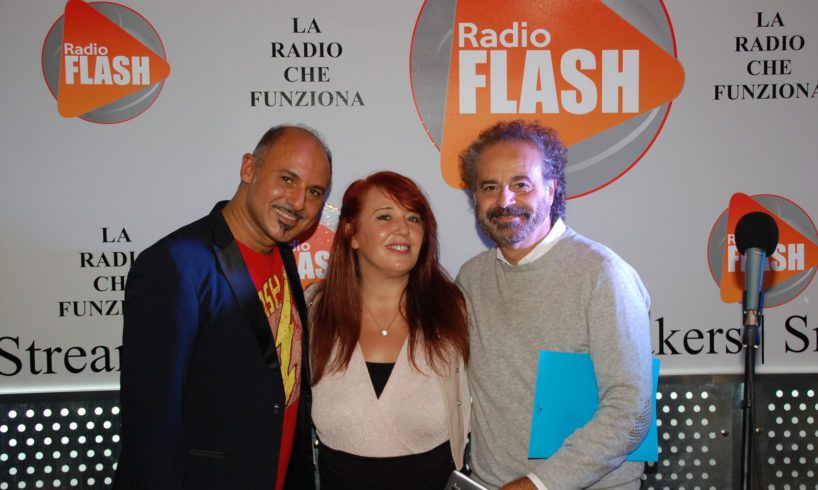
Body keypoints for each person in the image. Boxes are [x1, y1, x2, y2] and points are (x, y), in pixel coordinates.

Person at [115, 125, 332, 490]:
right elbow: (151, 423)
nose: (298, 202)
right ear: (249, 168)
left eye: (314, 191)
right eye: (287, 179)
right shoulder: (174, 265)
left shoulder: (282, 255)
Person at [455, 120, 653, 490]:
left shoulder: (603, 275)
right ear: (475, 198)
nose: (504, 201)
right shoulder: (471, 278)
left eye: (521, 185)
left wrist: (536, 485)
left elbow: (632, 410)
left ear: (551, 189)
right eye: (489, 187)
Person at [307, 171, 470, 489]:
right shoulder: (313, 310)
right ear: (352, 234)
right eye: (385, 216)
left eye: (414, 218)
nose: (403, 229)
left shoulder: (453, 311)